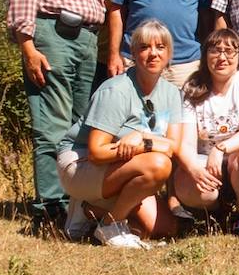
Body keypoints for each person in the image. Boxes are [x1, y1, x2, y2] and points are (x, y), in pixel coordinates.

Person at [7, 0, 113, 234]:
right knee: (51, 124)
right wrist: (28, 45)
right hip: (51, 34)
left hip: (86, 40)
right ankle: (48, 209)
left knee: (81, 125)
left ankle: (74, 206)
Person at [57, 19, 185, 247]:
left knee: (165, 228)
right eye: (145, 47)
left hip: (124, 164)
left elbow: (173, 146)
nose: (153, 54)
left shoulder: (172, 93)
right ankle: (109, 225)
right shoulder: (116, 90)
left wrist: (143, 137)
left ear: (169, 53)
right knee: (159, 164)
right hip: (80, 162)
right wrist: (148, 145)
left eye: (160, 47)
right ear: (133, 52)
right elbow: (97, 152)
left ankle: (90, 211)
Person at [172, 29, 239, 237]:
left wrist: (220, 149)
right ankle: (218, 211)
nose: (222, 57)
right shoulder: (192, 86)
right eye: (215, 51)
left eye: (229, 51)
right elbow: (186, 144)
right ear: (205, 55)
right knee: (185, 180)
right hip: (208, 166)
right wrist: (193, 169)